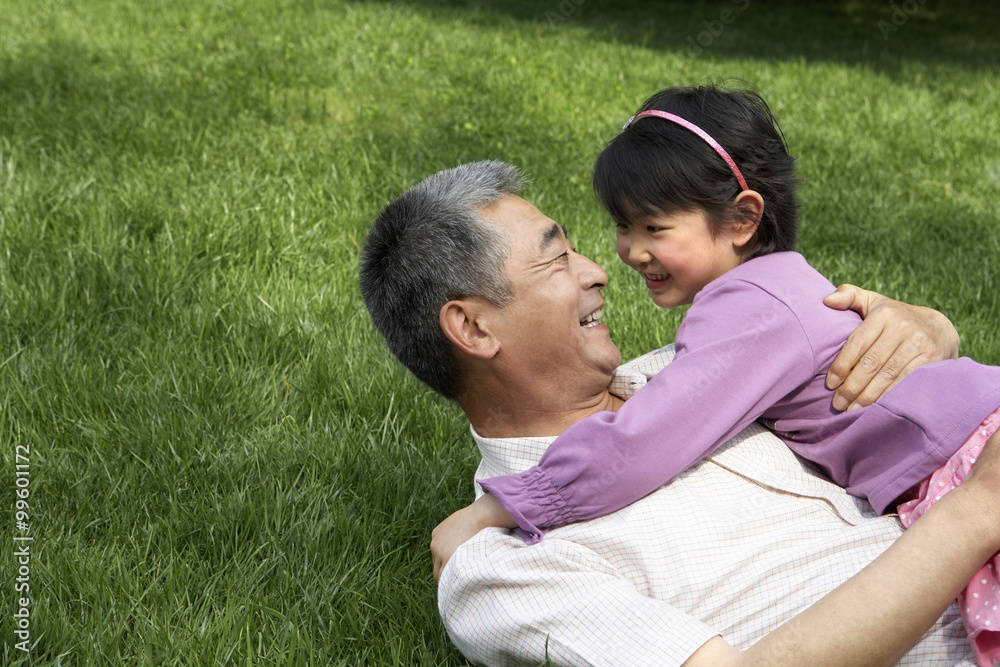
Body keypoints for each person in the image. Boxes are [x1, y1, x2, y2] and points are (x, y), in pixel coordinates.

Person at [433, 86, 1000, 664]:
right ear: (472, 328)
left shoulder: (747, 313)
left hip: (968, 459)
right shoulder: (764, 300)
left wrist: (500, 507)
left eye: (654, 228)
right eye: (623, 227)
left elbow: (641, 444)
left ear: (742, 219)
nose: (622, 255)